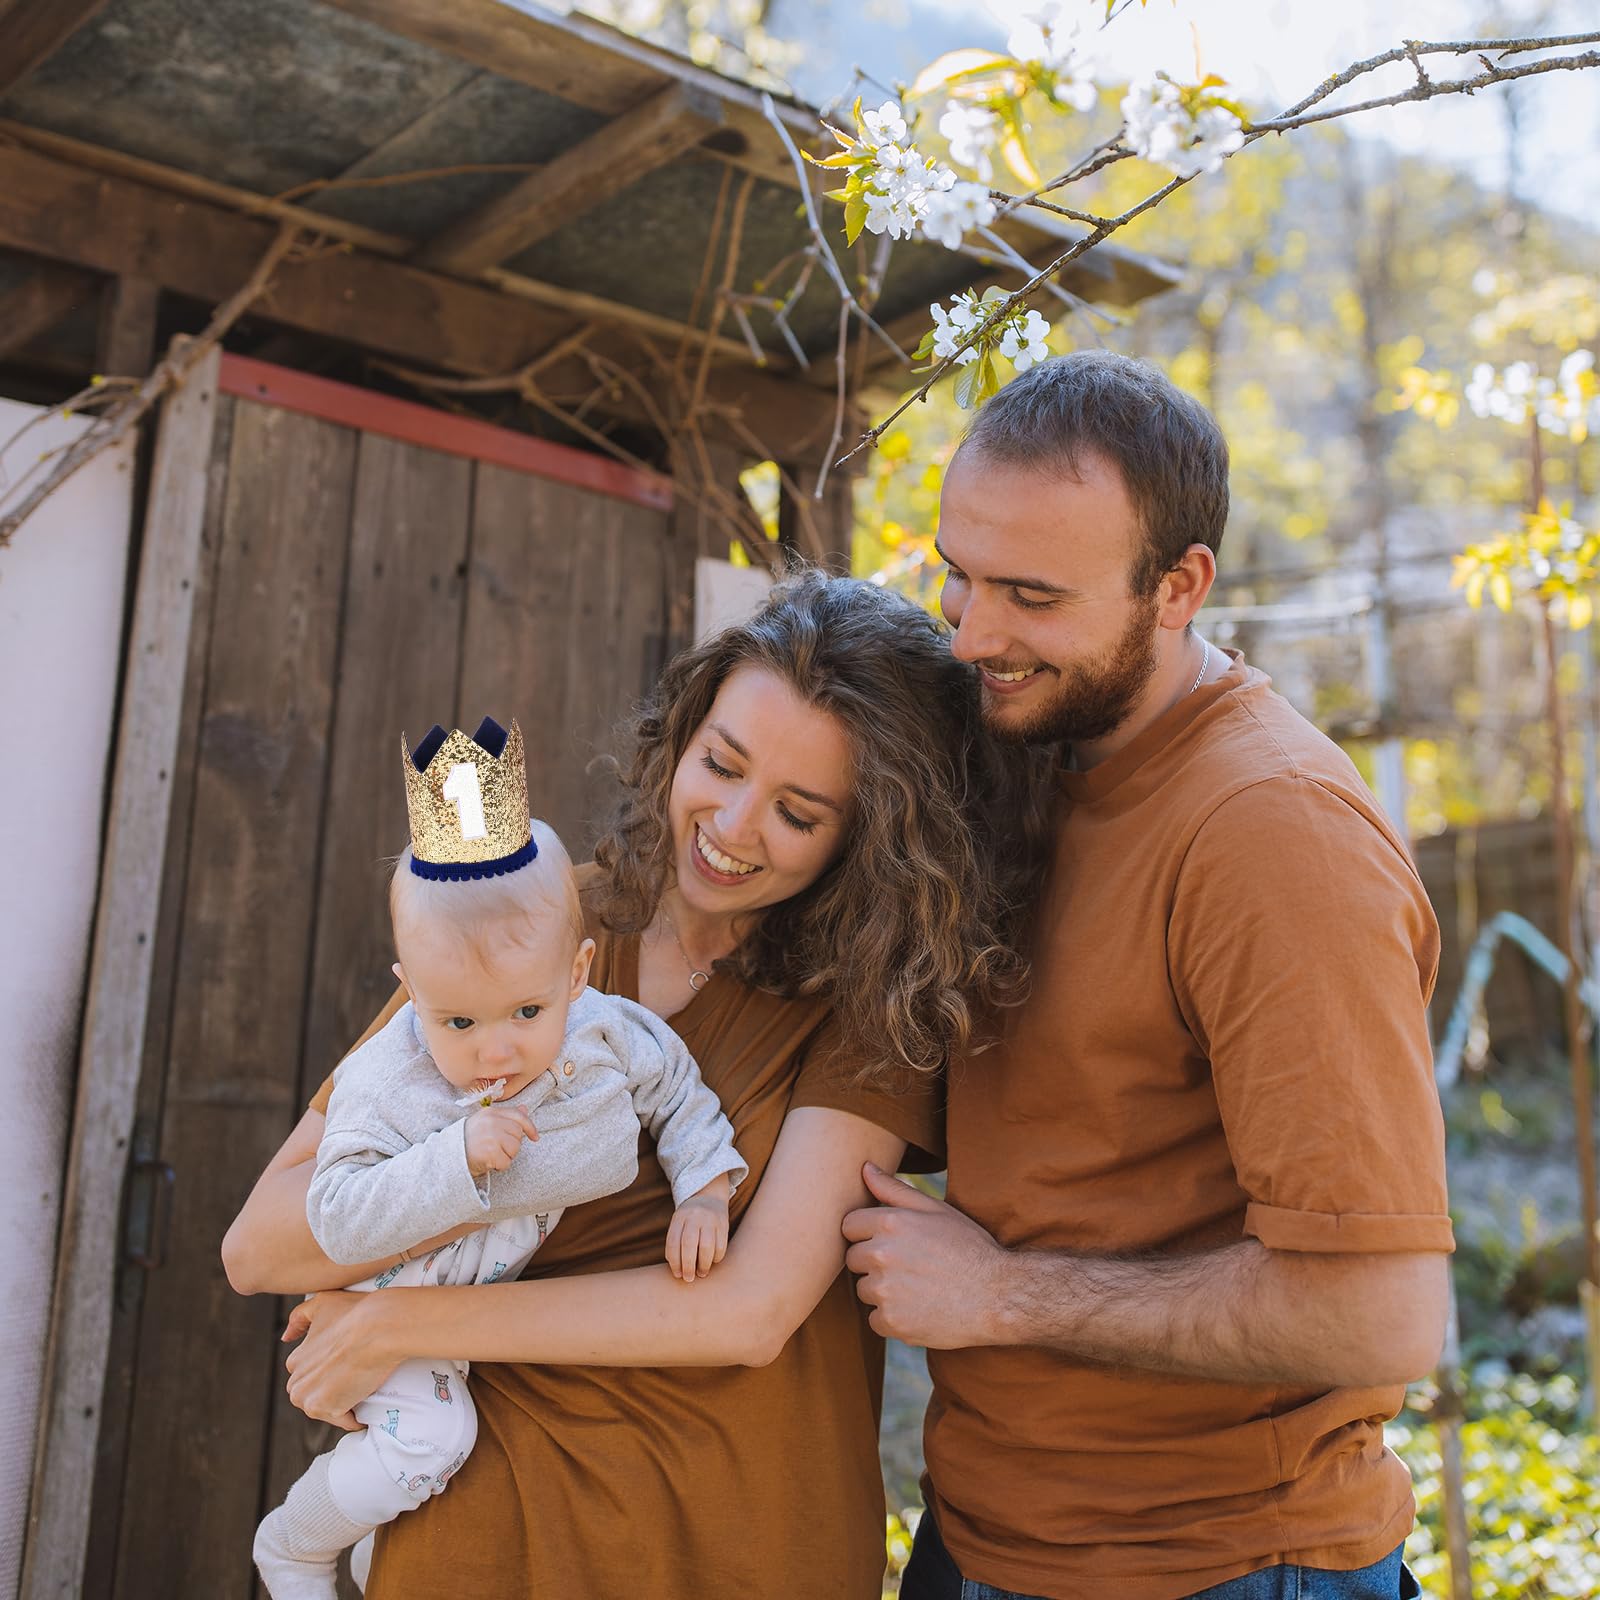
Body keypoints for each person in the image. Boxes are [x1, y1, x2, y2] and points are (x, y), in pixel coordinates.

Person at [222, 569, 1054, 1599]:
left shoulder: (864, 1011)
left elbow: (747, 1313)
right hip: (485, 1526)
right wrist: (473, 1172)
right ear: (686, 731)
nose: (735, 825)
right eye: (721, 763)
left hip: (732, 1537)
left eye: (798, 811)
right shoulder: (521, 929)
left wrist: (401, 1321)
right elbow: (261, 1242)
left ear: (867, 835)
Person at [843, 350, 1453, 1600]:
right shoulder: (1032, 740)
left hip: (1215, 1564)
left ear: (1179, 586)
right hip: (984, 1533)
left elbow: (1382, 1313)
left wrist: (1003, 1296)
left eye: (1031, 593)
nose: (972, 633)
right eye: (956, 576)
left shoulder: (1271, 836)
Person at [253, 717, 745, 1600]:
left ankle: (365, 1554)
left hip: (474, 1316)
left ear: (579, 971)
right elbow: (334, 1212)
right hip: (387, 1304)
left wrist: (705, 1193)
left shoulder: (605, 1031)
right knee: (433, 1445)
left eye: (527, 1012)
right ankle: (291, 1544)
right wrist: (456, 1160)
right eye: (458, 1022)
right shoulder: (385, 1076)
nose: (496, 1051)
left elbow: (678, 1093)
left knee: (414, 1470)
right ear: (409, 991)